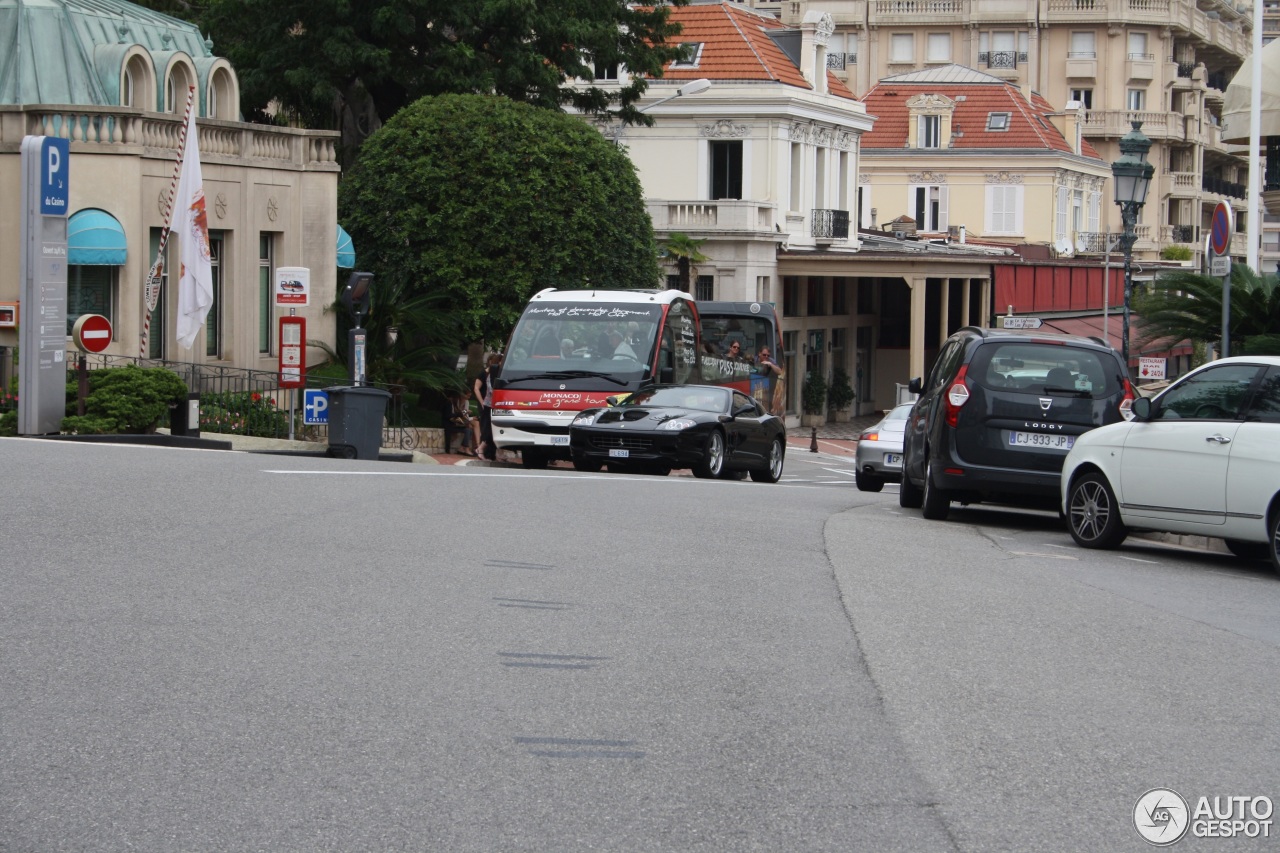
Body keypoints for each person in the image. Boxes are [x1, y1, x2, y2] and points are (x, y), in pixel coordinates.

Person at [473, 352, 502, 460]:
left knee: (494, 429)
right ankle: (480, 449)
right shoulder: (488, 374)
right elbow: (488, 389)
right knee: (488, 429)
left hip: (495, 405)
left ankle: (491, 453)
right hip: (489, 405)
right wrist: (481, 402)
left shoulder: (498, 373)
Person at [754, 345, 786, 418]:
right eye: (764, 355)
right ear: (759, 353)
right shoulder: (754, 359)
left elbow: (780, 372)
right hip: (754, 384)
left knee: (764, 408)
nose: (766, 357)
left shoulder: (770, 360)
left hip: (765, 386)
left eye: (768, 355)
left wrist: (771, 364)